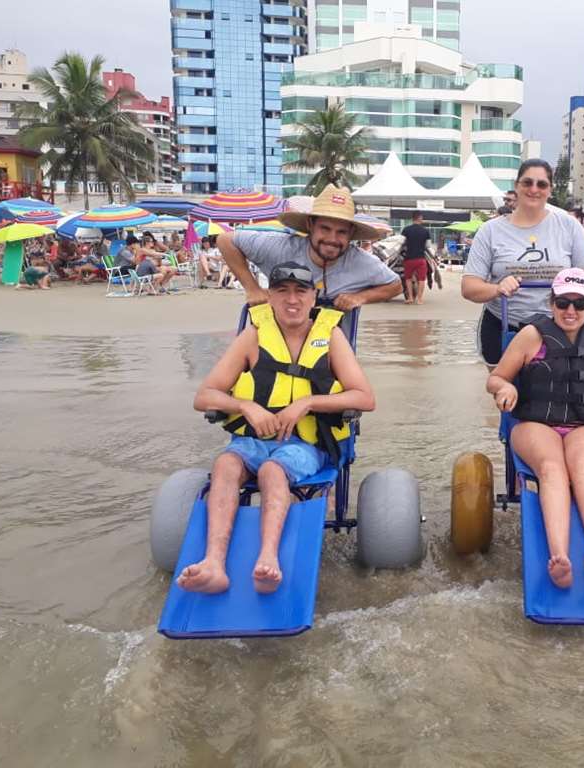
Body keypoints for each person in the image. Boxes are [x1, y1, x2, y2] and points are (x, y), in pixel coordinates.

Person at [177, 262, 375, 594]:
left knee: (272, 470)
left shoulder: (330, 336)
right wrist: (245, 406)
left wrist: (307, 403)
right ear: (270, 297)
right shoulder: (253, 336)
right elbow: (204, 396)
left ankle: (268, 557)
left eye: (301, 291)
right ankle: (213, 563)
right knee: (225, 464)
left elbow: (364, 397)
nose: (292, 300)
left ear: (314, 297)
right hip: (254, 440)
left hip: (307, 445)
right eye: (282, 291)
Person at [487, 268, 584, 588]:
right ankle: (559, 556)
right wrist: (505, 388)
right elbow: (496, 377)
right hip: (536, 424)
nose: (570, 311)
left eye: (579, 304)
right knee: (552, 468)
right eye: (562, 303)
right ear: (551, 302)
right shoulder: (531, 335)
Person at [461, 159, 584, 366]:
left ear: (550, 190)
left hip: (558, 326)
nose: (534, 189)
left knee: (555, 392)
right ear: (517, 186)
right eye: (527, 183)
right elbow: (469, 287)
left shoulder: (569, 227)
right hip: (502, 324)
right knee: (505, 391)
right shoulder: (490, 231)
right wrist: (498, 288)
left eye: (541, 184)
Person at [218, 186, 401, 310]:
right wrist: (252, 288)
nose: (332, 239)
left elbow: (396, 285)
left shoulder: (362, 261)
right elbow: (226, 240)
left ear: (351, 234)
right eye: (325, 229)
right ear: (310, 225)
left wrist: (360, 297)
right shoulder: (280, 248)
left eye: (341, 232)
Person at [400, 211, 431, 305]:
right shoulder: (425, 231)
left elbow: (401, 243)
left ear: (412, 218)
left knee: (408, 278)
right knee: (421, 279)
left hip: (408, 259)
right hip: (421, 259)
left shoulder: (406, 230)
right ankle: (419, 299)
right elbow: (428, 246)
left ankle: (410, 298)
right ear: (420, 218)